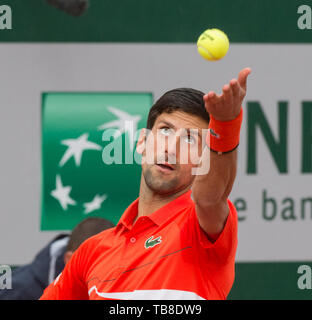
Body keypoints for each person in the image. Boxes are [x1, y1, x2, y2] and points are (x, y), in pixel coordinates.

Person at [40, 67, 251, 300]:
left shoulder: (198, 229)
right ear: (142, 142)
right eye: (165, 131)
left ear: (203, 161)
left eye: (190, 140)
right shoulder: (91, 252)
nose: (171, 149)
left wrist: (226, 125)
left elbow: (210, 197)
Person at [0, 217, 114, 300]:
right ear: (69, 259)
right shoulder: (18, 291)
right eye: (94, 263)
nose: (103, 271)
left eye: (110, 262)